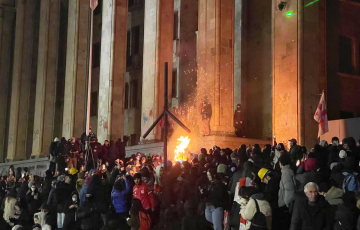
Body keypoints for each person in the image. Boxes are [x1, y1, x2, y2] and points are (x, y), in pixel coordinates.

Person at [277, 154, 295, 230]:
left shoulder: (286, 173)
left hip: (285, 206)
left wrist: (287, 204)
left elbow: (289, 190)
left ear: (281, 163)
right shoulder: (286, 172)